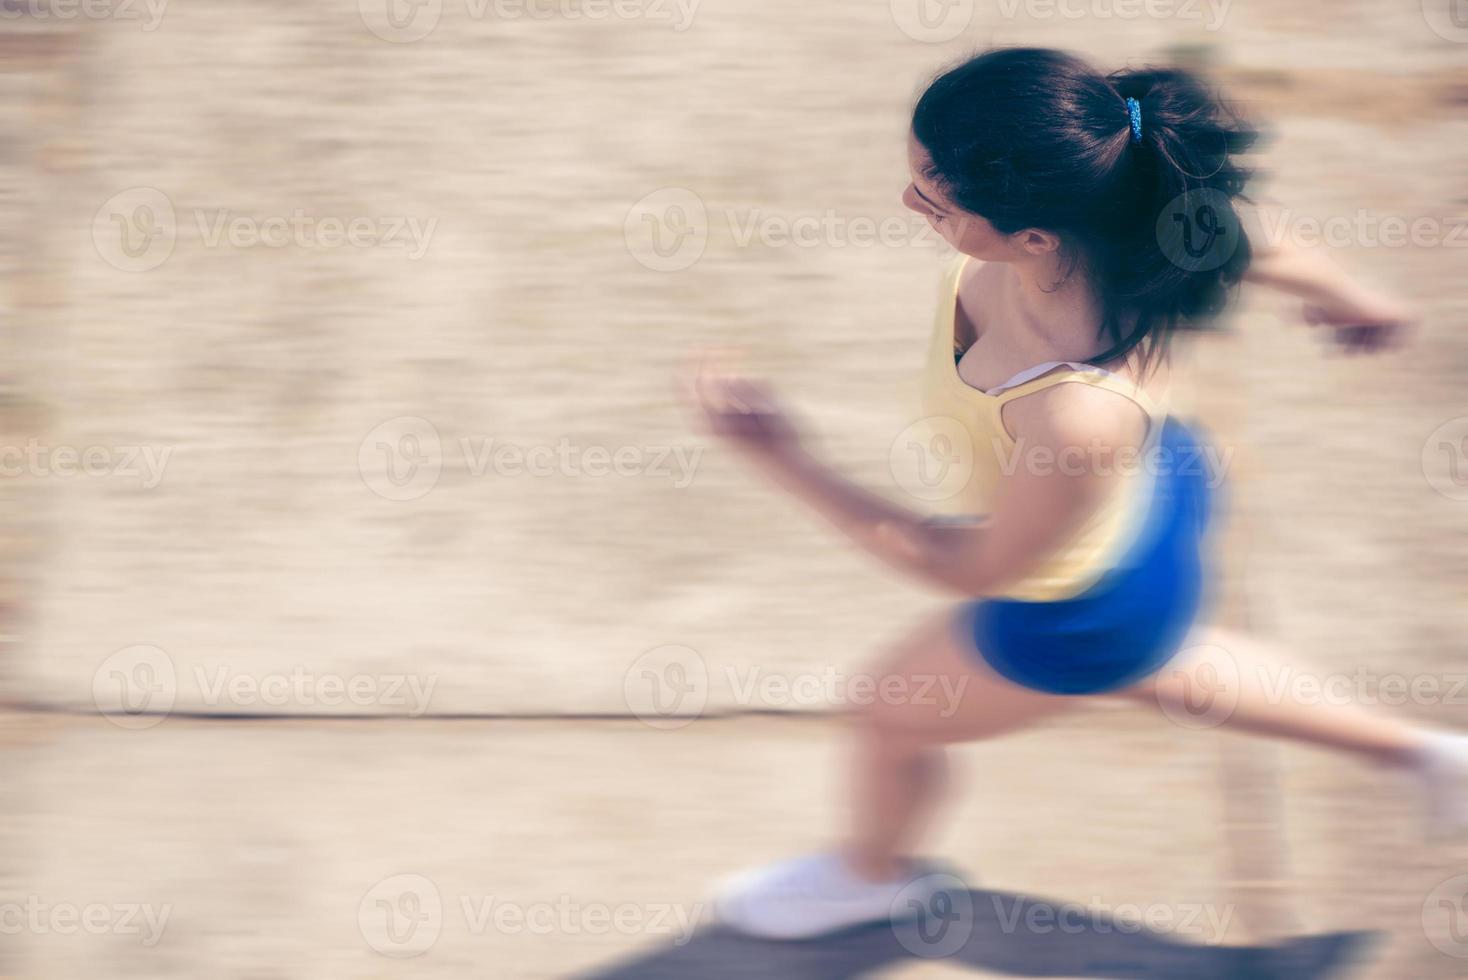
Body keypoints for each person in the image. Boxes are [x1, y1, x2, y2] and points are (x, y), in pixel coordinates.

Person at [685, 47, 1458, 940]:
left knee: (890, 716)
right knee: (1168, 660)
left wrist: (783, 458)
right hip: (1155, 505)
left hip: (1071, 604)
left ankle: (870, 876)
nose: (911, 204)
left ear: (1036, 240)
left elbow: (970, 563)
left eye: (935, 200)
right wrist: (1358, 301)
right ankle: (1433, 755)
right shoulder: (1143, 213)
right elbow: (1259, 241)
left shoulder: (1076, 416)